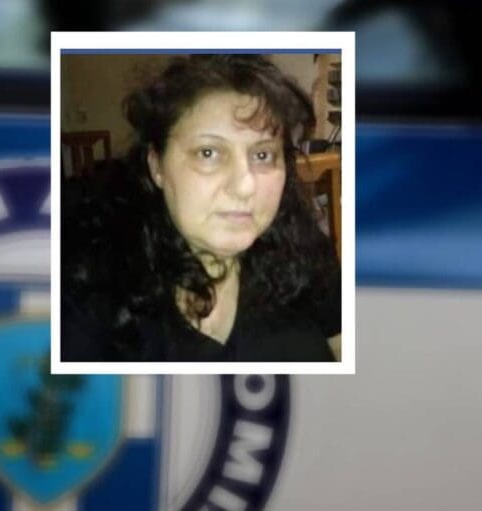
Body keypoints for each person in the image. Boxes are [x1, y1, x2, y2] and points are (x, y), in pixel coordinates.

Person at [62, 54, 339, 362]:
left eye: (262, 155)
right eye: (208, 153)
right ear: (156, 165)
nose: (245, 185)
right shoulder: (90, 292)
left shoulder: (305, 252)